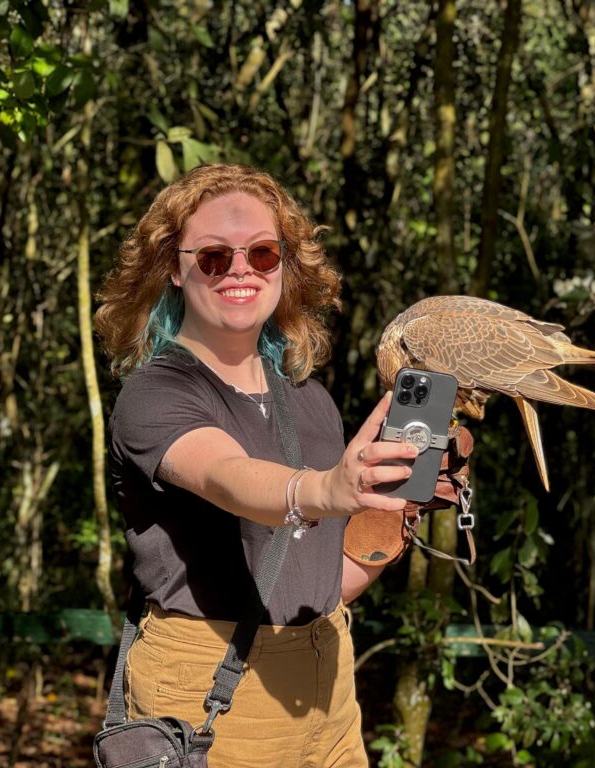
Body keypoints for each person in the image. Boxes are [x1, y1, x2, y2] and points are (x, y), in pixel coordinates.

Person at [95, 163, 422, 767]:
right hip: (208, 689)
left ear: (284, 267)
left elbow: (323, 580)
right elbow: (229, 476)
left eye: (263, 253)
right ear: (174, 266)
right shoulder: (156, 394)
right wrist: (325, 488)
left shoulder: (309, 399)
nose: (241, 269)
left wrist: (396, 508)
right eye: (214, 256)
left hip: (330, 681)